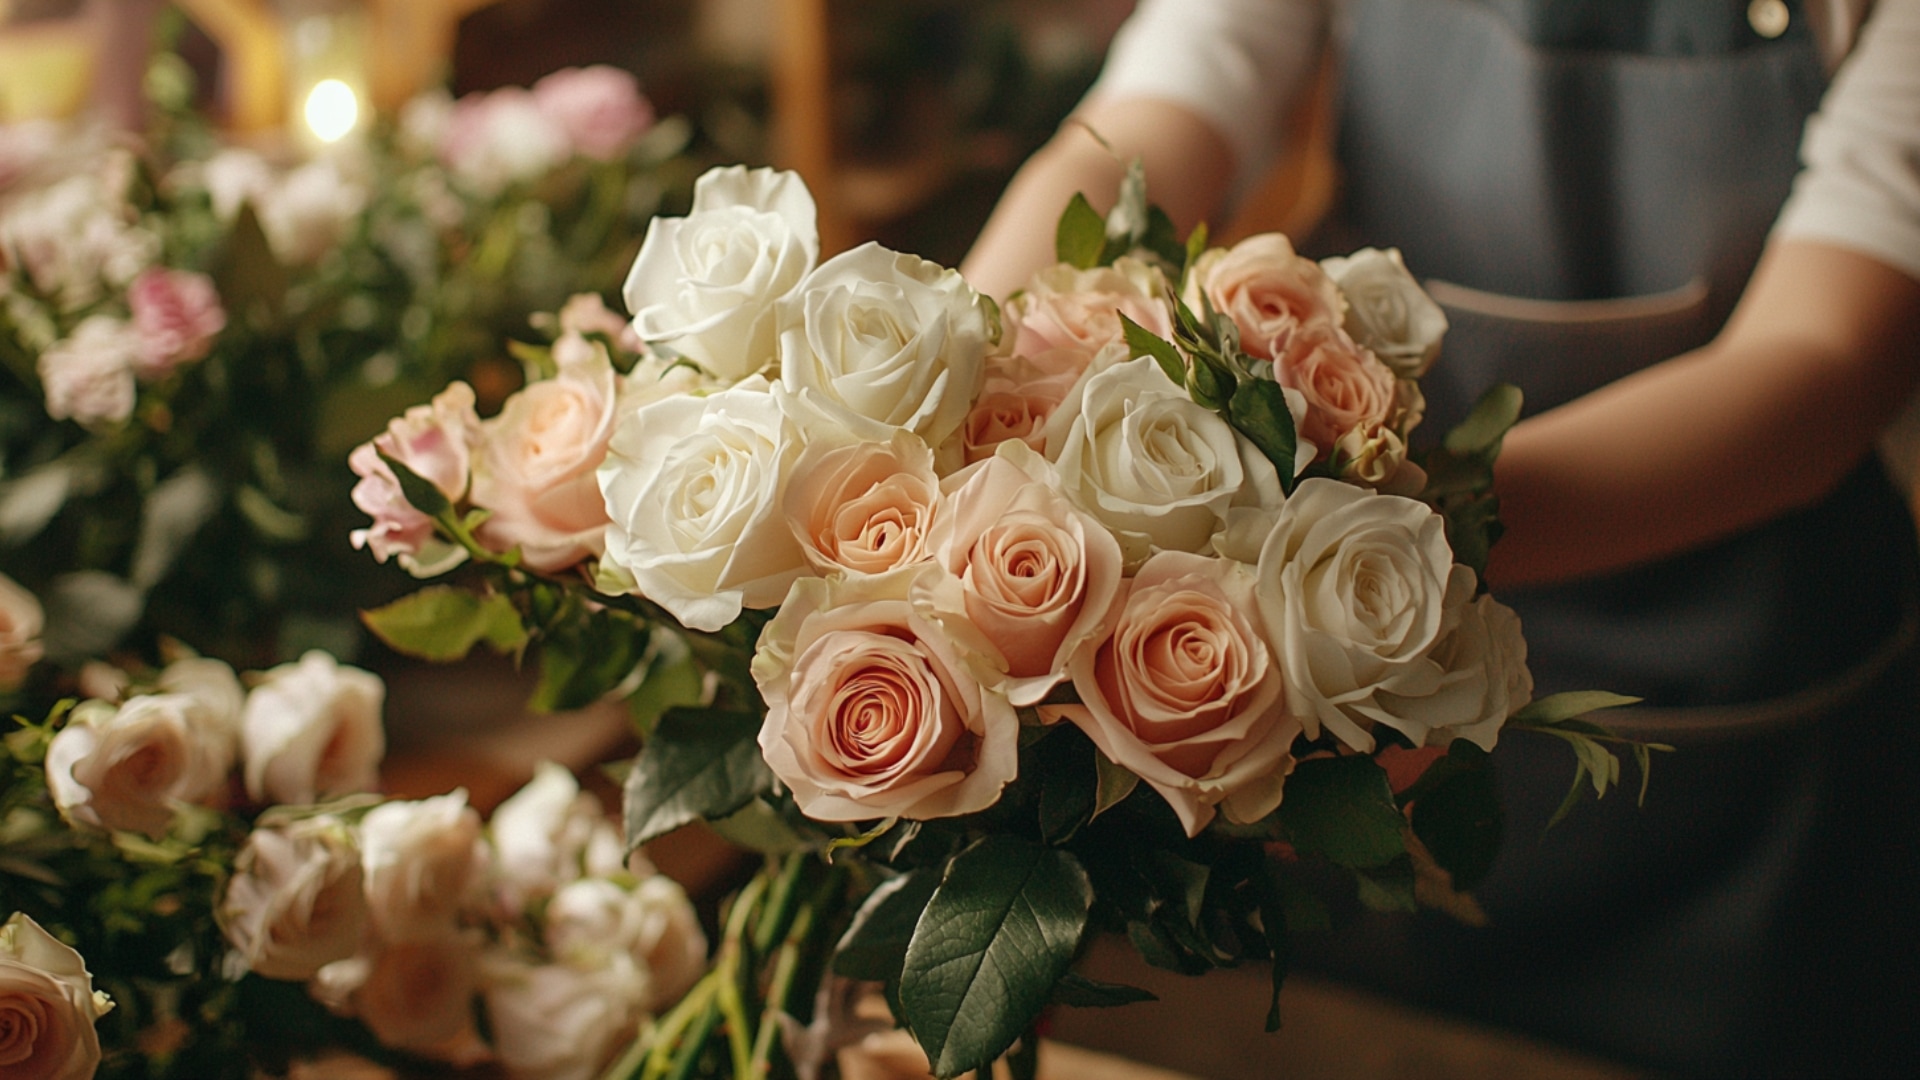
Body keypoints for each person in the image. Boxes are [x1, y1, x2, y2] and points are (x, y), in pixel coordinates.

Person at [961, 2, 1920, 1077]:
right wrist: (955, 378)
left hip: (1730, 735)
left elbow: (1824, 358)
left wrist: (1356, 553)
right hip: (1348, 692)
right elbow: (1171, 99)